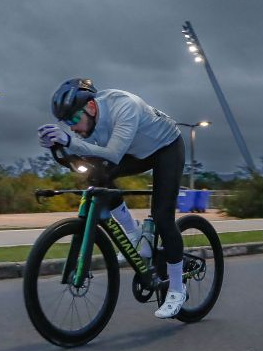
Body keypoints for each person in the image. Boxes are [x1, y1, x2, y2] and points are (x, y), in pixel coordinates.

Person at [37, 78, 186, 318]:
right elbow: (85, 158)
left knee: (162, 217)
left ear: (92, 108)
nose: (72, 127)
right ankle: (135, 235)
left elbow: (113, 154)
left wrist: (69, 142)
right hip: (137, 152)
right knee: (97, 175)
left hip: (166, 147)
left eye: (74, 119)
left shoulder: (124, 106)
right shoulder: (88, 123)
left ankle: (177, 290)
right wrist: (58, 149)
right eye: (66, 123)